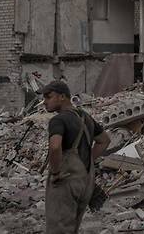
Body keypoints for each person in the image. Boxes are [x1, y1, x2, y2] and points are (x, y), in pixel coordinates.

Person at [41, 81, 110, 234]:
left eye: (48, 97)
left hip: (65, 182)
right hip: (85, 182)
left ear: (62, 97)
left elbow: (55, 146)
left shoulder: (58, 120)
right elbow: (104, 140)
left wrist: (56, 171)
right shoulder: (86, 118)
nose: (44, 101)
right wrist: (86, 161)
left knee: (59, 230)